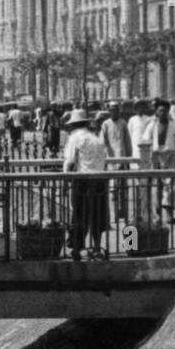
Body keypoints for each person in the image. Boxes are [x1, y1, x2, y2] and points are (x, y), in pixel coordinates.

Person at [63, 109, 108, 260]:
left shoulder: (75, 138)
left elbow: (69, 161)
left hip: (83, 181)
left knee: (79, 215)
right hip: (100, 180)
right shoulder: (96, 138)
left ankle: (77, 248)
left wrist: (65, 180)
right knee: (97, 215)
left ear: (74, 125)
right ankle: (97, 247)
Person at [147, 99, 175, 222]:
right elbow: (145, 142)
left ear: (168, 112)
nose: (163, 113)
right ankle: (158, 216)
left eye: (165, 111)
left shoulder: (173, 126)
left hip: (170, 157)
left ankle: (169, 215)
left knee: (170, 187)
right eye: (160, 111)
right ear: (156, 112)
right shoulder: (151, 125)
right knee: (157, 187)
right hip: (156, 157)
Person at [101, 102, 133, 219]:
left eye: (116, 109)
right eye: (112, 110)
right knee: (113, 189)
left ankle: (124, 213)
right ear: (109, 111)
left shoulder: (123, 123)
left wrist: (128, 160)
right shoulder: (105, 124)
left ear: (119, 111)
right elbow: (103, 142)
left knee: (123, 188)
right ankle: (115, 214)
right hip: (111, 161)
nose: (114, 112)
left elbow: (128, 143)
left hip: (123, 159)